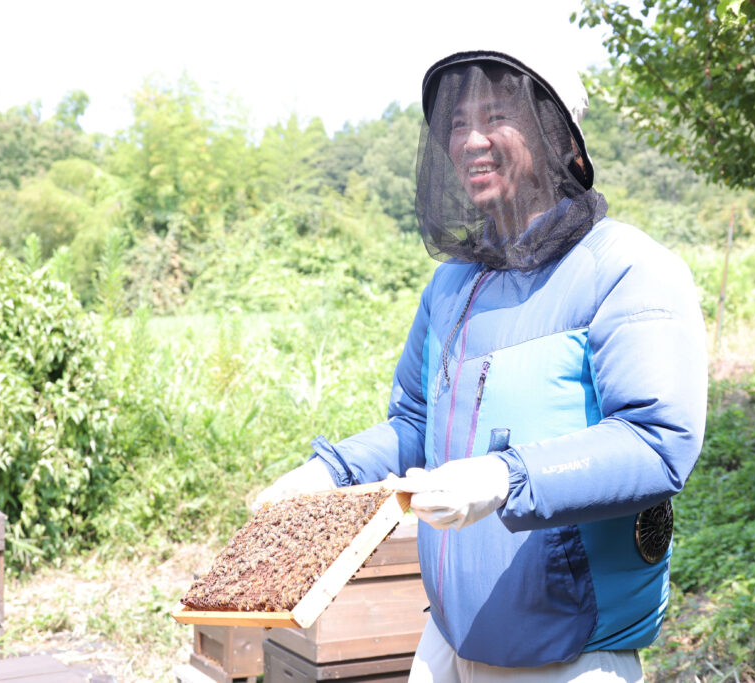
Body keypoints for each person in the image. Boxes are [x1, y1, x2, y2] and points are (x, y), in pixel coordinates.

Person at [254, 49, 707, 682]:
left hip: (569, 651)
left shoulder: (627, 269)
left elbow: (657, 443)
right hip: (446, 638)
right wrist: (329, 472)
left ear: (558, 135)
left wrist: (505, 476)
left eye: (496, 117)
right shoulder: (452, 285)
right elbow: (417, 423)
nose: (471, 141)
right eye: (457, 123)